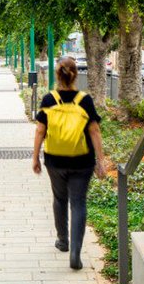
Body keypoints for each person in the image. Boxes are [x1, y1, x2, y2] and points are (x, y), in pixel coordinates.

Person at [31, 56, 108, 270]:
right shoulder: (85, 100)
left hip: (55, 160)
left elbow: (40, 130)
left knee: (59, 198)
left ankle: (62, 240)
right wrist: (100, 161)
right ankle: (75, 252)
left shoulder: (49, 100)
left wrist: (35, 156)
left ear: (58, 75)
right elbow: (94, 130)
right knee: (78, 202)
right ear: (75, 75)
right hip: (82, 161)